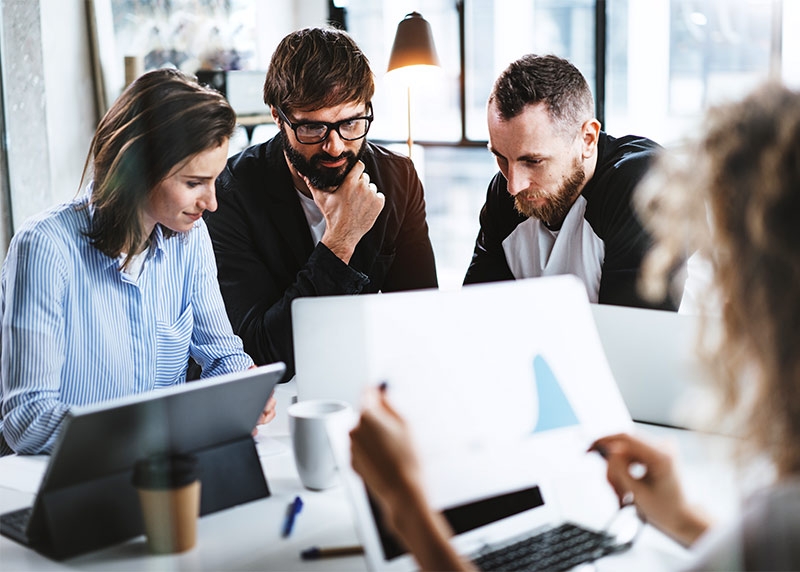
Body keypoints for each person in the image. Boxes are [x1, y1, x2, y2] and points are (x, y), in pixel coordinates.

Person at [350, 82, 800, 571]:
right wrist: (684, 518)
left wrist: (408, 509)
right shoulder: (776, 512)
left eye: (726, 271)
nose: (513, 184)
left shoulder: (781, 514)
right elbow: (474, 324)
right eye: (500, 161)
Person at [0, 68, 275, 457]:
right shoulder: (45, 248)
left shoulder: (190, 239)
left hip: (162, 473)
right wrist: (148, 433)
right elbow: (26, 418)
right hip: (68, 483)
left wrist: (245, 388)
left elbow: (222, 354)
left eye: (214, 181)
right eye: (194, 183)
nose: (211, 203)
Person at [204, 27, 438, 382]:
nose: (335, 147)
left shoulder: (398, 178)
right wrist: (341, 240)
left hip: (374, 383)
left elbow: (420, 317)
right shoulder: (230, 194)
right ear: (277, 116)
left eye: (351, 123)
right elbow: (257, 352)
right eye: (313, 129)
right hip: (279, 404)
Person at [464, 54, 676, 310]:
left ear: (587, 139)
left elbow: (632, 338)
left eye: (533, 161)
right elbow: (475, 316)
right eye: (501, 158)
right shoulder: (504, 191)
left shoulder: (643, 185)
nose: (513, 185)